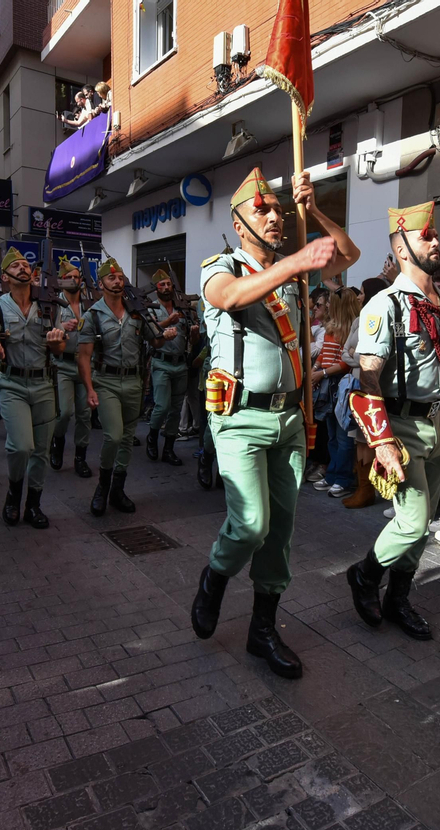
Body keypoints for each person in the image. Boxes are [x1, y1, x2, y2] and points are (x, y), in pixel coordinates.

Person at [188, 166, 359, 680]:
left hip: (288, 417)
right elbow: (229, 298)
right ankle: (215, 577)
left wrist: (316, 213)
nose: (275, 215)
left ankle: (262, 629)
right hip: (238, 417)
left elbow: (348, 255)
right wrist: (298, 263)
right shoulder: (220, 266)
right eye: (262, 209)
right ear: (240, 224)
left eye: (278, 209)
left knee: (280, 532)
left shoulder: (294, 267)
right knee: (250, 524)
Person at [343, 201, 440, 642]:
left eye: (435, 234)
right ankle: (365, 575)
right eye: (426, 236)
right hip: (401, 424)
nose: (436, 241)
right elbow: (367, 375)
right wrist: (381, 441)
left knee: (421, 523)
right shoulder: (383, 305)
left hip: (436, 422)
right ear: (402, 248)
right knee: (412, 519)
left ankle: (399, 597)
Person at [0, 250, 65, 527]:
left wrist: (56, 342)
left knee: (41, 449)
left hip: (43, 384)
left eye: (26, 265)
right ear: (5, 277)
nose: (22, 268)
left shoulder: (50, 305)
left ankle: (33, 504)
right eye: (15, 266)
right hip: (12, 384)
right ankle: (12, 494)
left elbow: (61, 347)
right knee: (21, 447)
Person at [78, 258, 164, 516]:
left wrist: (166, 332)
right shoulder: (93, 314)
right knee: (113, 436)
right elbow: (83, 356)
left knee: (126, 438)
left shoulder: (136, 311)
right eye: (111, 278)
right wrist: (90, 389)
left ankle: (118, 489)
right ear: (101, 283)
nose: (117, 281)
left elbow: (155, 341)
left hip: (135, 382)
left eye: (120, 277)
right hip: (106, 382)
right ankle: (102, 488)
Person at [48, 258, 95, 477]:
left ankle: (80, 457)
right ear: (61, 281)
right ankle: (56, 443)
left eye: (77, 277)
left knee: (84, 414)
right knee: (65, 412)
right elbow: (45, 329)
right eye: (69, 277)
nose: (74, 280)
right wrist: (61, 326)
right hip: (63, 364)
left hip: (85, 364)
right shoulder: (53, 303)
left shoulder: (88, 303)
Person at [311, 289, 359, 498]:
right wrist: (316, 368)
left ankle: (343, 478)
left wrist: (320, 372)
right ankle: (333, 474)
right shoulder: (331, 327)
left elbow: (344, 363)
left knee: (343, 435)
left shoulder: (349, 329)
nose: (327, 305)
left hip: (339, 382)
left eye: (330, 302)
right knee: (331, 433)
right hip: (327, 382)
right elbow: (324, 353)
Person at [145, 268, 194, 465]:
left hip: (180, 363)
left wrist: (195, 333)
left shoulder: (181, 308)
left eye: (168, 284)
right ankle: (152, 436)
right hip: (161, 362)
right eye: (162, 284)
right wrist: (167, 321)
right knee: (162, 406)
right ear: (156, 288)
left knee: (175, 409)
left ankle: (169, 448)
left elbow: (190, 336)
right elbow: (150, 333)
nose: (166, 288)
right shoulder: (150, 308)